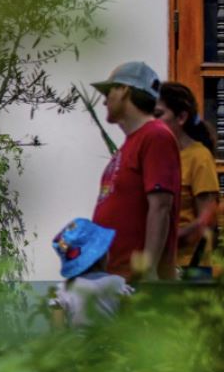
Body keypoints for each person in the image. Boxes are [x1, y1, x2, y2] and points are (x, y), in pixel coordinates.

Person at [91, 61, 180, 280]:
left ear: (124, 91)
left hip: (136, 282)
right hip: (115, 279)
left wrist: (148, 269)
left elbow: (161, 206)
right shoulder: (132, 142)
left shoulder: (155, 137)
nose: (104, 101)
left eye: (109, 91)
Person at [154, 81, 219, 273]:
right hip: (154, 265)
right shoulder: (154, 156)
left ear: (181, 117)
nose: (152, 122)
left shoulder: (199, 157)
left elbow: (207, 221)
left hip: (187, 267)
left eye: (158, 115)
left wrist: (164, 241)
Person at [49, 217, 132, 328]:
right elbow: (128, 326)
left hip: (76, 345)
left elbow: (57, 331)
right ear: (102, 255)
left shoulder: (64, 289)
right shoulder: (118, 283)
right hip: (112, 344)